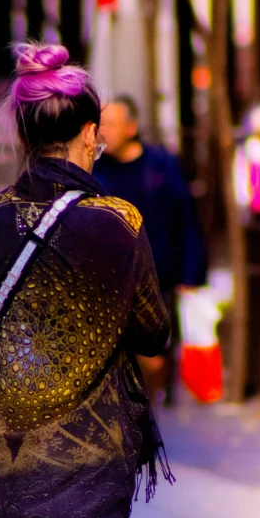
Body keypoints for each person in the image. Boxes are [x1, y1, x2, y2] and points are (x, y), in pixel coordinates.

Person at [0, 42, 173, 518]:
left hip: (3, 457)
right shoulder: (117, 223)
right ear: (91, 132)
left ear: (22, 138)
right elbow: (154, 334)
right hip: (92, 462)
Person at [94, 95, 207, 402]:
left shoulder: (161, 165)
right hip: (111, 278)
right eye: (101, 125)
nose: (104, 132)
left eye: (112, 124)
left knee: (154, 352)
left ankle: (149, 401)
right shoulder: (95, 170)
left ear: (132, 127)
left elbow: (184, 218)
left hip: (158, 272)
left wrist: (192, 271)